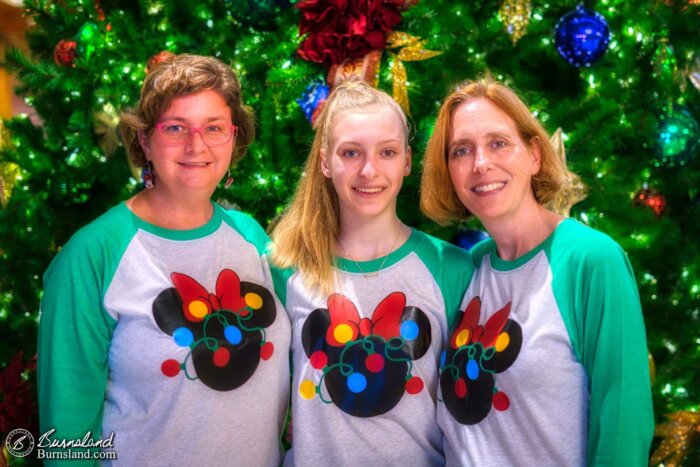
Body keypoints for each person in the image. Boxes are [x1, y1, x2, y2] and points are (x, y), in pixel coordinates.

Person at [38, 54, 291, 466]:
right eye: (176, 128)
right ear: (144, 140)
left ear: (234, 137)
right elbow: (67, 433)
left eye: (214, 128)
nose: (197, 146)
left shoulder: (251, 236)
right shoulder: (93, 254)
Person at [420, 78, 654, 466]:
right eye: (462, 150)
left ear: (534, 156)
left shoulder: (590, 260)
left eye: (498, 143)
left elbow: (623, 420)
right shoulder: (469, 267)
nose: (480, 163)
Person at [270, 79, 474, 466]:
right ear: (326, 162)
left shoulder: (451, 269)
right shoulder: (286, 271)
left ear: (408, 161)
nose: (369, 170)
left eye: (387, 152)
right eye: (351, 153)